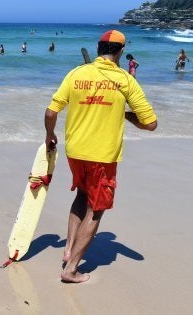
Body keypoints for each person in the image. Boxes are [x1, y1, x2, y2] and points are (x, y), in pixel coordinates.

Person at [44, 30, 157, 284]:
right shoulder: (125, 80)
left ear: (98, 49)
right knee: (96, 210)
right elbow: (150, 124)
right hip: (102, 156)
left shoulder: (76, 74)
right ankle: (71, 269)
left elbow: (51, 112)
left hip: (75, 151)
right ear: (118, 51)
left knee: (81, 196)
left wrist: (49, 135)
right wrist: (124, 113)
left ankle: (68, 249)